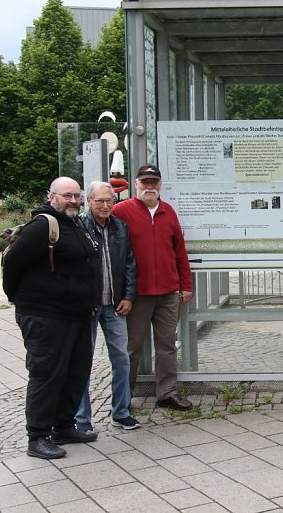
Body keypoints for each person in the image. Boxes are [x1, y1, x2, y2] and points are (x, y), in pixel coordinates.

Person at [2, 177, 101, 459]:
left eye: (76, 196)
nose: (73, 200)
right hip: (46, 316)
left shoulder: (76, 223)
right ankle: (37, 436)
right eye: (67, 195)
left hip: (77, 314)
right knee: (47, 375)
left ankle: (64, 426)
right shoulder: (44, 225)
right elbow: (13, 265)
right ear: (52, 196)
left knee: (75, 372)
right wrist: (23, 301)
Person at [112, 164, 194, 411]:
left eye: (154, 182)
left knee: (167, 347)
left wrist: (185, 284)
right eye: (145, 182)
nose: (149, 186)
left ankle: (166, 393)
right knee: (131, 348)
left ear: (160, 185)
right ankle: (123, 396)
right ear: (136, 184)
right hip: (136, 295)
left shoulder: (168, 212)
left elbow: (179, 251)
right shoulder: (121, 211)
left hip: (168, 293)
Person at [75, 181, 141, 432]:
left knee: (122, 358)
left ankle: (121, 411)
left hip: (115, 306)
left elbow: (130, 264)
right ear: (88, 201)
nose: (105, 205)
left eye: (109, 201)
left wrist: (129, 296)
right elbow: (73, 270)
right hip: (88, 308)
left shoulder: (120, 227)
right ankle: (82, 419)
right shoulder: (78, 227)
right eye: (99, 200)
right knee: (83, 361)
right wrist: (84, 301)